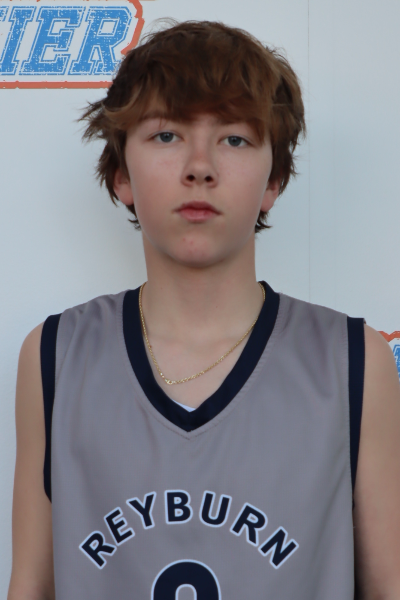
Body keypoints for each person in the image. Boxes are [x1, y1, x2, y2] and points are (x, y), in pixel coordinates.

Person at [8, 20, 400, 600]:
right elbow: (30, 586)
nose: (200, 166)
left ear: (274, 180)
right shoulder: (55, 354)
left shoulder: (352, 361)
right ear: (122, 175)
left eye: (234, 139)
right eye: (167, 135)